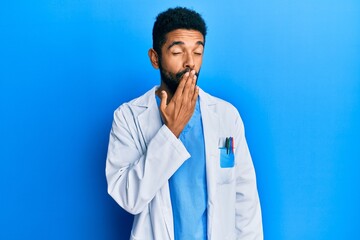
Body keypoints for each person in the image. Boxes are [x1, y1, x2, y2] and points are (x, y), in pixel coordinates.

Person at [105, 7, 263, 240]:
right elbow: (129, 198)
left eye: (198, 52)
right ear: (155, 58)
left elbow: (244, 198)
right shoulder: (127, 117)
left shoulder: (227, 117)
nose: (190, 63)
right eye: (178, 52)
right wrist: (170, 133)